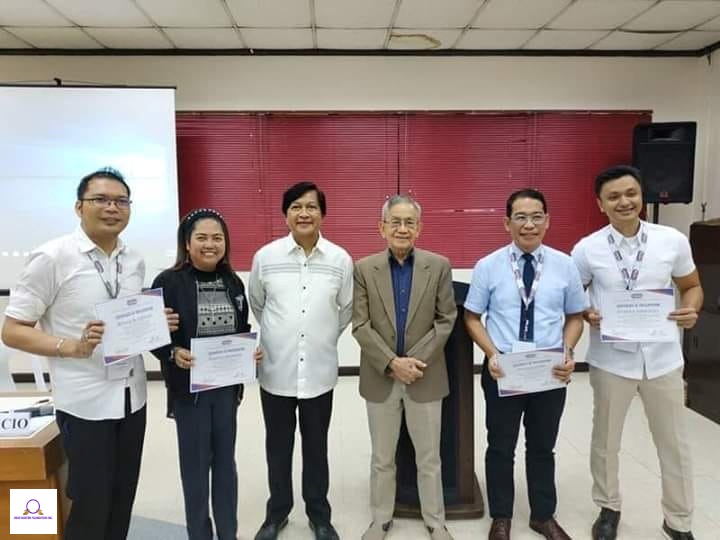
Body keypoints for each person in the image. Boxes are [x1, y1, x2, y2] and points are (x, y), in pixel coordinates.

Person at [1, 167, 178, 540]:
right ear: (79, 207)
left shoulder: (134, 260)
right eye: (101, 199)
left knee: (121, 499)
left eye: (121, 201)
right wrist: (74, 347)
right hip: (84, 403)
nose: (112, 208)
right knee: (89, 505)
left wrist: (153, 323)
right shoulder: (52, 257)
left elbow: (127, 324)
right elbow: (13, 331)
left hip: (133, 398)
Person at [571, 165, 703, 540]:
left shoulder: (671, 240)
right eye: (613, 196)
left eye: (630, 193)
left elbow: (691, 285)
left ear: (641, 195)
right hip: (612, 360)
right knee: (605, 441)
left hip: (662, 359)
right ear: (600, 204)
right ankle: (608, 507)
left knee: (674, 443)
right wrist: (586, 311)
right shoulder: (586, 249)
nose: (624, 201)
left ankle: (678, 521)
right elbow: (573, 297)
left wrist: (691, 308)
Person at [464, 189, 586, 540]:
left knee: (542, 445)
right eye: (520, 216)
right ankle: (501, 516)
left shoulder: (565, 265)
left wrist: (567, 351)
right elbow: (472, 317)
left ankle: (542, 515)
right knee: (500, 445)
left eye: (536, 216)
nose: (528, 224)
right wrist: (491, 353)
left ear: (547, 221)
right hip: (504, 371)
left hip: (549, 371)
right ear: (507, 222)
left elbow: (575, 316)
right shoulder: (488, 265)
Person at [248, 181, 353, 540]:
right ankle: (276, 513)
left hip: (320, 372)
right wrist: (284, 334)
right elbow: (258, 305)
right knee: (277, 448)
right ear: (285, 214)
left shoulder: (340, 259)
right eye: (296, 206)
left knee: (316, 447)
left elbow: (347, 309)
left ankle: (319, 515)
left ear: (323, 213)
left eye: (311, 207)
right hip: (276, 370)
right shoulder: (266, 257)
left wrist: (320, 336)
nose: (304, 213)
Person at [151, 208, 260, 540]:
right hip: (191, 394)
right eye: (202, 237)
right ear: (187, 242)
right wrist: (172, 352)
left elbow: (241, 328)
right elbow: (151, 335)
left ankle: (229, 532)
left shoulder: (232, 281)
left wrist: (250, 351)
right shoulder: (168, 282)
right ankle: (200, 533)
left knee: (226, 466)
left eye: (217, 238)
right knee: (196, 469)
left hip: (226, 391)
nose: (210, 244)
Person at [352, 194, 457, 540]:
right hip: (381, 378)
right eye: (394, 222)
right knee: (382, 457)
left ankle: (435, 520)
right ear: (381, 228)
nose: (401, 228)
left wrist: (413, 362)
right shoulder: (364, 269)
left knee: (429, 457)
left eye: (409, 222)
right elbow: (360, 325)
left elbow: (446, 319)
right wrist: (392, 363)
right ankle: (380, 519)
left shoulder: (438, 265)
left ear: (419, 228)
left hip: (424, 376)